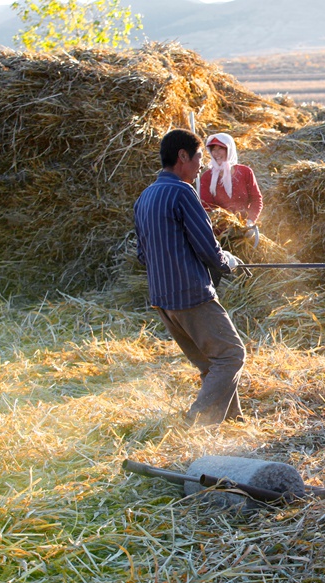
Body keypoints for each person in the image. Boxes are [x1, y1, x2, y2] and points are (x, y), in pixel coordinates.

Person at [134, 129, 246, 427]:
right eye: (198, 157)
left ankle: (233, 422)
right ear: (182, 156)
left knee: (212, 364)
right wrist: (227, 262)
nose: (201, 164)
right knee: (231, 355)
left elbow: (142, 255)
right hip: (191, 294)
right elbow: (208, 248)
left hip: (163, 300)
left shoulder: (144, 197)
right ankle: (196, 424)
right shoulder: (183, 192)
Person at [199, 133, 263, 225]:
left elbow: (256, 199)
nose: (216, 153)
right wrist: (224, 225)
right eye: (213, 149)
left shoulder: (245, 172)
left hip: (244, 226)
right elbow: (207, 206)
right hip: (219, 230)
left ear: (229, 150)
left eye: (220, 148)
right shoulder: (207, 177)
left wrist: (250, 221)